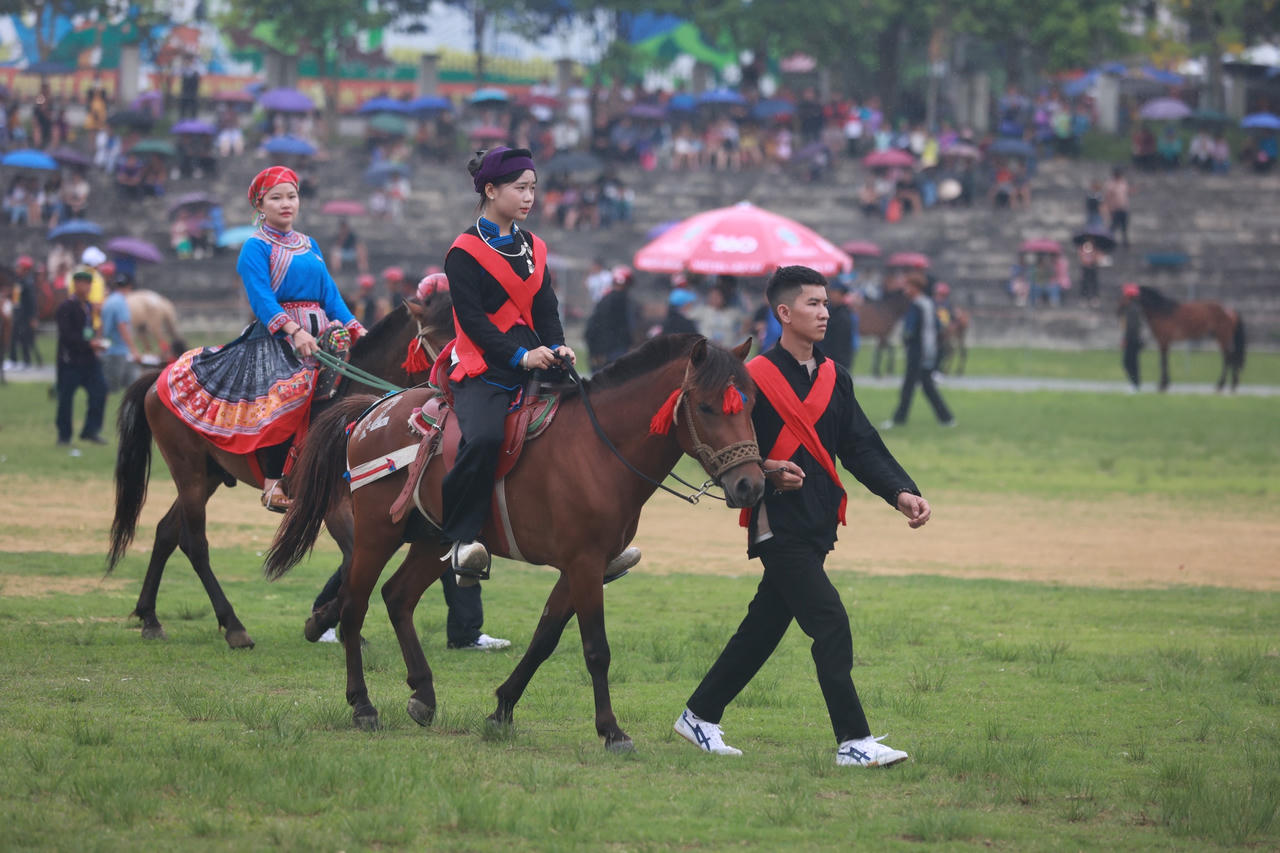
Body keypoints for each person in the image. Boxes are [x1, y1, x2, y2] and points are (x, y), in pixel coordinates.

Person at [674, 264, 931, 767]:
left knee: (763, 629)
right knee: (830, 622)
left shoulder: (836, 377)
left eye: (827, 303)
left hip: (817, 524)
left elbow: (861, 447)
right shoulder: (749, 379)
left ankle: (699, 716)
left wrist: (901, 491)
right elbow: (728, 447)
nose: (825, 312)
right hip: (776, 524)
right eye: (813, 303)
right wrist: (767, 471)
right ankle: (853, 742)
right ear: (784, 313)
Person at [155, 166, 366, 511]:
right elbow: (261, 298)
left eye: (292, 196)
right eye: (276, 198)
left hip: (322, 332)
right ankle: (272, 483)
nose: (286, 204)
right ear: (260, 205)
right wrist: (293, 331)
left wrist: (357, 328)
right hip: (277, 336)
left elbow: (330, 295)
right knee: (286, 394)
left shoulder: (309, 244)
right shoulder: (255, 247)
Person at [440, 147, 574, 579]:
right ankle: (461, 539)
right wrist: (520, 356)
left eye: (533, 188)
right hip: (485, 366)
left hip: (537, 356)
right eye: (520, 188)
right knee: (481, 439)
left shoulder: (535, 246)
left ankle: (593, 537)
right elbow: (474, 323)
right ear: (491, 190)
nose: (529, 197)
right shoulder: (462, 251)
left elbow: (546, 308)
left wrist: (558, 346)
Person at [882, 273, 954, 428]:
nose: (905, 290)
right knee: (927, 387)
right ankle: (947, 418)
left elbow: (910, 330)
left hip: (918, 351)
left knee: (908, 387)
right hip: (927, 350)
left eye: (908, 286)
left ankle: (898, 419)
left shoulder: (917, 305)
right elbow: (937, 327)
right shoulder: (928, 303)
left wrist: (904, 339)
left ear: (915, 288)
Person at [55, 269, 109, 446]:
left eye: (87, 283)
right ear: (75, 284)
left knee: (100, 391)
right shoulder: (66, 307)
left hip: (89, 360)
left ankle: (91, 430)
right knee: (66, 399)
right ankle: (64, 435)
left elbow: (89, 331)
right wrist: (89, 344)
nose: (84, 287)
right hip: (70, 361)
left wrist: (96, 341)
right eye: (80, 283)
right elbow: (66, 335)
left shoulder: (88, 307)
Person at [584, 264, 639, 368]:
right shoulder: (625, 302)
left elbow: (592, 327)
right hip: (612, 352)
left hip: (607, 351)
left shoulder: (605, 301)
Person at [100, 272, 141, 391]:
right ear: (129, 287)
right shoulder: (121, 303)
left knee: (131, 382)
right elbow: (122, 326)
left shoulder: (109, 301)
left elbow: (102, 325)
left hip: (108, 348)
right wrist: (134, 350)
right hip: (118, 351)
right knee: (110, 388)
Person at [8, 255, 41, 368]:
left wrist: (33, 317)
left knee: (25, 339)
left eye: (19, 267)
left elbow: (32, 302)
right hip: (17, 314)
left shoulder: (28, 283)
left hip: (25, 316)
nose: (17, 269)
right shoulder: (19, 281)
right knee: (13, 337)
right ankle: (13, 360)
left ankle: (26, 362)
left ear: (25, 269)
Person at [1120, 282, 1143, 392]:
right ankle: (1135, 383)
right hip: (1133, 339)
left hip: (1132, 340)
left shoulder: (1133, 309)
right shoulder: (1130, 308)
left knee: (1129, 363)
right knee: (1131, 362)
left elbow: (1132, 328)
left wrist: (1126, 339)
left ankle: (1135, 384)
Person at [1103, 166, 1130, 248]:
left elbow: (1125, 194)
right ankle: (1108, 242)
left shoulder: (1123, 182)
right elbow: (1107, 197)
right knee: (1113, 227)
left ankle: (1125, 243)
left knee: (1124, 227)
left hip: (1124, 208)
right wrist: (1109, 209)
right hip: (1115, 209)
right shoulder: (1110, 184)